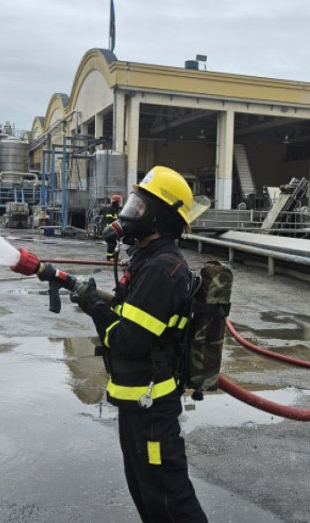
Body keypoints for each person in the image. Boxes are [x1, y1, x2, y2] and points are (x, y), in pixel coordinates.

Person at [70, 166, 209, 523]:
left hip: (151, 409)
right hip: (136, 403)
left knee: (169, 500)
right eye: (133, 203)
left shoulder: (163, 269)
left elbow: (127, 341)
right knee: (148, 495)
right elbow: (128, 313)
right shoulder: (147, 258)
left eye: (139, 207)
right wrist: (95, 298)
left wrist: (94, 307)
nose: (129, 214)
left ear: (160, 218)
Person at [100, 194, 123, 261]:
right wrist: (111, 231)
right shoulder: (111, 209)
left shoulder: (115, 209)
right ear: (117, 202)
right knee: (111, 244)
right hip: (110, 230)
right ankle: (109, 257)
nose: (120, 202)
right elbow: (108, 220)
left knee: (115, 244)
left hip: (114, 229)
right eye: (120, 201)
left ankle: (114, 257)